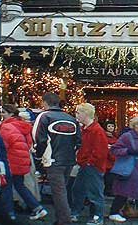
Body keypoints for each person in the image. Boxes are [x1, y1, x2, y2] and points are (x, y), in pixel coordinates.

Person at [32, 92, 81, 225]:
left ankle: (64, 220)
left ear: (44, 102)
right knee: (62, 190)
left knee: (59, 192)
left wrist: (38, 157)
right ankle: (61, 219)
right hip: (68, 160)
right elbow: (78, 141)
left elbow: (38, 139)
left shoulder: (44, 116)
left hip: (53, 160)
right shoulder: (71, 118)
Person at [0, 104, 47, 221]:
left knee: (8, 188)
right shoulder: (23, 126)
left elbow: (3, 146)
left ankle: (10, 214)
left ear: (10, 114)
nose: (1, 115)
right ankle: (37, 208)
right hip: (23, 160)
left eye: (4, 113)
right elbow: (29, 143)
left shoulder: (6, 127)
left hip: (11, 161)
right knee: (20, 186)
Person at [71, 103, 108, 225]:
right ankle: (77, 213)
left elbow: (100, 152)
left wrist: (89, 162)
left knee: (94, 192)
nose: (76, 115)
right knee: (79, 189)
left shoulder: (96, 131)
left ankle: (97, 217)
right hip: (87, 165)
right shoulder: (88, 129)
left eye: (78, 112)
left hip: (92, 166)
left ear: (85, 114)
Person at [103, 119, 118, 196]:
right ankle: (108, 190)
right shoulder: (104, 136)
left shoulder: (115, 136)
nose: (111, 127)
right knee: (108, 177)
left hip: (114, 160)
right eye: (109, 126)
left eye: (112, 126)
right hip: (108, 160)